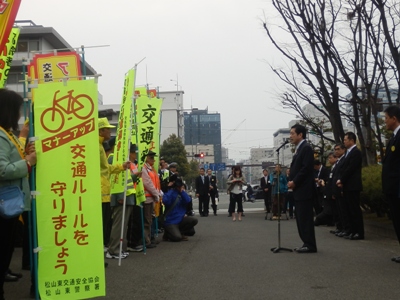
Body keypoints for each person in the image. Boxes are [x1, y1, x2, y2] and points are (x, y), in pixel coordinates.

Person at [0, 89, 37, 300]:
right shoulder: (0, 135)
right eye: (17, 110)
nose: (18, 115)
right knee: (2, 252)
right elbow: (2, 169)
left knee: (5, 252)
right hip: (5, 204)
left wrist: (26, 152)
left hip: (10, 203)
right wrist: (28, 161)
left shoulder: (7, 134)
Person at [98, 117, 130, 253]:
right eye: (107, 130)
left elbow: (106, 169)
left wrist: (121, 167)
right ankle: (100, 252)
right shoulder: (97, 147)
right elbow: (104, 169)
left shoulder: (99, 146)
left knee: (104, 225)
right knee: (102, 226)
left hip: (104, 192)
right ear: (100, 130)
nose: (110, 132)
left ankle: (100, 252)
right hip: (100, 192)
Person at [106, 144, 141, 259]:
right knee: (118, 225)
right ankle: (113, 250)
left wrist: (135, 176)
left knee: (123, 225)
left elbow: (126, 178)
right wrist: (120, 195)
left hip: (128, 196)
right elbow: (114, 178)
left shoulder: (123, 159)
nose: (134, 154)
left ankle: (119, 249)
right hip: (121, 196)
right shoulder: (113, 157)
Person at [288, 124, 317, 253]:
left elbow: (306, 169)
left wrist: (294, 181)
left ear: (300, 135)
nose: (290, 136)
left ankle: (310, 244)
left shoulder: (306, 148)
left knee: (305, 218)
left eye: (292, 133)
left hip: (304, 189)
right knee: (300, 217)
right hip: (298, 190)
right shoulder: (299, 149)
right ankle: (306, 242)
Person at [336, 132, 364, 240]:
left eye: (345, 139)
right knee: (348, 209)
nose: (344, 141)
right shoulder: (348, 153)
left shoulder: (356, 152)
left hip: (353, 185)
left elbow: (351, 168)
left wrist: (341, 179)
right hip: (347, 185)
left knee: (354, 209)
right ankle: (352, 231)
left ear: (352, 140)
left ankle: (359, 232)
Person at [382, 105, 400, 263]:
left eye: (386, 118)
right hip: (393, 188)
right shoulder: (394, 137)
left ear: (394, 118)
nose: (385, 122)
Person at [141, 151, 162, 247]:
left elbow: (155, 182)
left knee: (151, 218)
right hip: (147, 197)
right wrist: (156, 194)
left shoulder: (152, 169)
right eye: (151, 158)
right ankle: (146, 240)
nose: (153, 160)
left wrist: (158, 193)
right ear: (146, 158)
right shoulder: (144, 168)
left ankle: (150, 238)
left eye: (153, 158)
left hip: (152, 197)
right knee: (147, 219)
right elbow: (148, 183)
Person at [314, 154, 335, 226]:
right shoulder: (315, 171)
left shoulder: (326, 170)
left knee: (326, 206)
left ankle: (328, 221)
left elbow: (328, 179)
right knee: (319, 204)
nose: (329, 160)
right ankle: (322, 220)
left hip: (325, 189)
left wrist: (321, 181)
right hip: (318, 189)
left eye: (330, 158)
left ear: (318, 165)